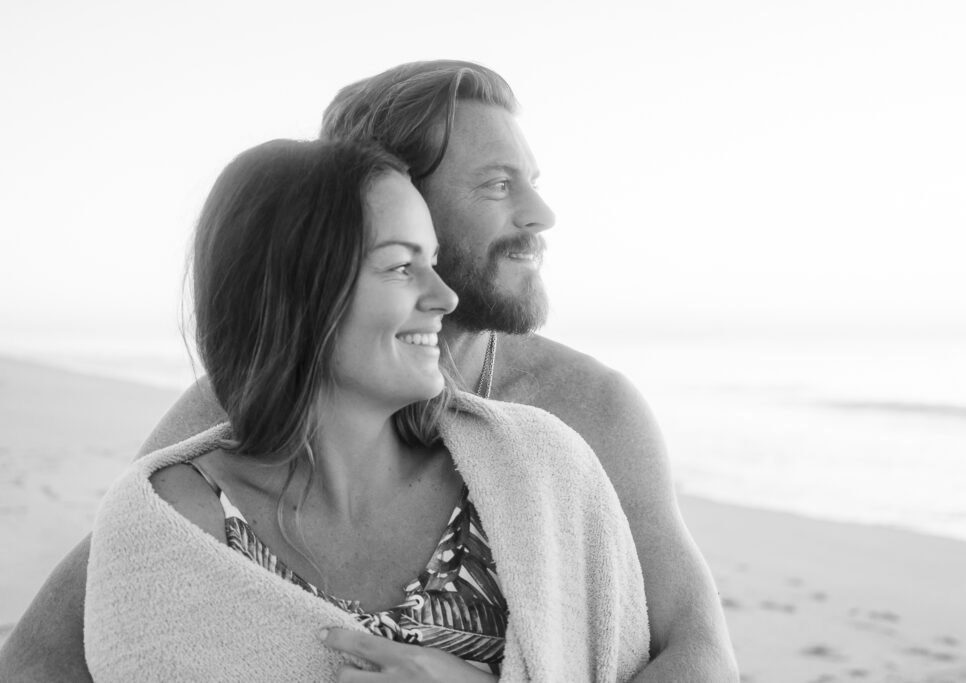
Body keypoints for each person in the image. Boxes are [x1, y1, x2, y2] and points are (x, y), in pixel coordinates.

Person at [0, 61, 738, 681]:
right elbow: (52, 649)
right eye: (496, 185)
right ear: (384, 194)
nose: (540, 213)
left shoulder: (584, 410)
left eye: (532, 180)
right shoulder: (229, 422)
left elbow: (700, 652)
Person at [85, 138, 649, 681]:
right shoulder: (173, 527)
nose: (445, 297)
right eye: (402, 267)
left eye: (434, 261)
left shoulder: (544, 471)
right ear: (297, 292)